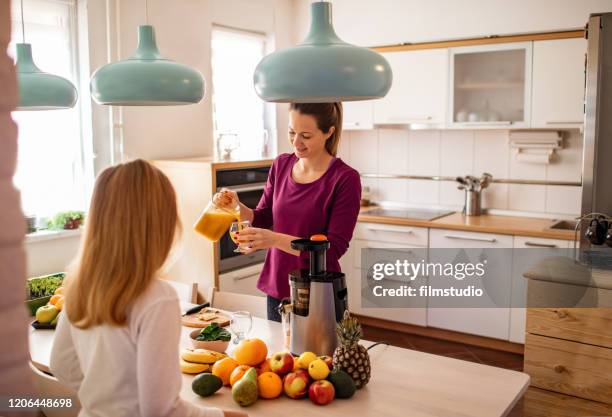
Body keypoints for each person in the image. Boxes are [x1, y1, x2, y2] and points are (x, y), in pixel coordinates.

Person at [50, 160, 246, 417]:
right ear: (159, 224)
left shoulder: (79, 283)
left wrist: (109, 398)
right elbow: (162, 411)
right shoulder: (157, 297)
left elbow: (62, 365)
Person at [214, 103, 361, 322]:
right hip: (277, 287)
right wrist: (237, 208)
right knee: (277, 355)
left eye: (306, 136)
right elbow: (263, 216)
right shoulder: (281, 164)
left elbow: (333, 249)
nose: (296, 142)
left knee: (317, 357)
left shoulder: (345, 179)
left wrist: (274, 239)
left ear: (329, 132)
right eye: (291, 132)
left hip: (317, 291)